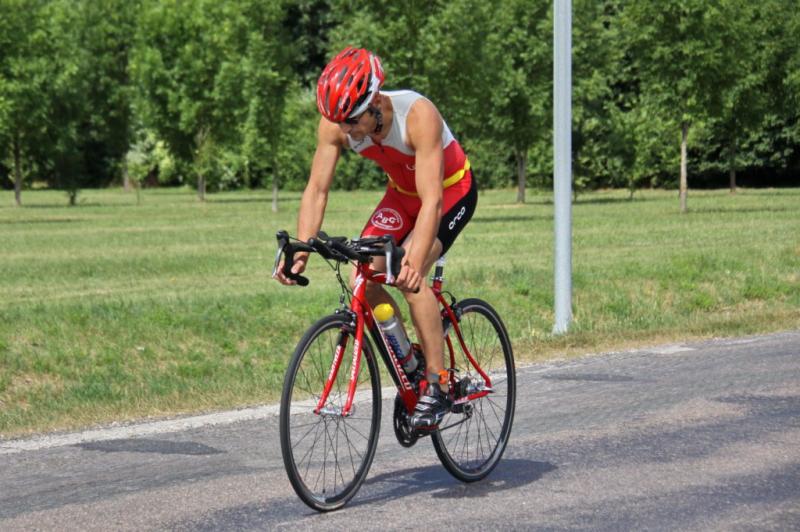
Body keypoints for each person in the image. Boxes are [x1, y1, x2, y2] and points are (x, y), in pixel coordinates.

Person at [274, 46, 477, 429]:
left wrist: (414, 260)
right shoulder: (337, 124)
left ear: (375, 103)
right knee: (364, 278)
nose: (345, 131)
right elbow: (317, 189)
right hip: (401, 195)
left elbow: (432, 201)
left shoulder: (417, 115)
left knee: (408, 276)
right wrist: (302, 251)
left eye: (352, 121)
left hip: (450, 192)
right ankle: (410, 364)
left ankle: (437, 383)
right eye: (339, 122)